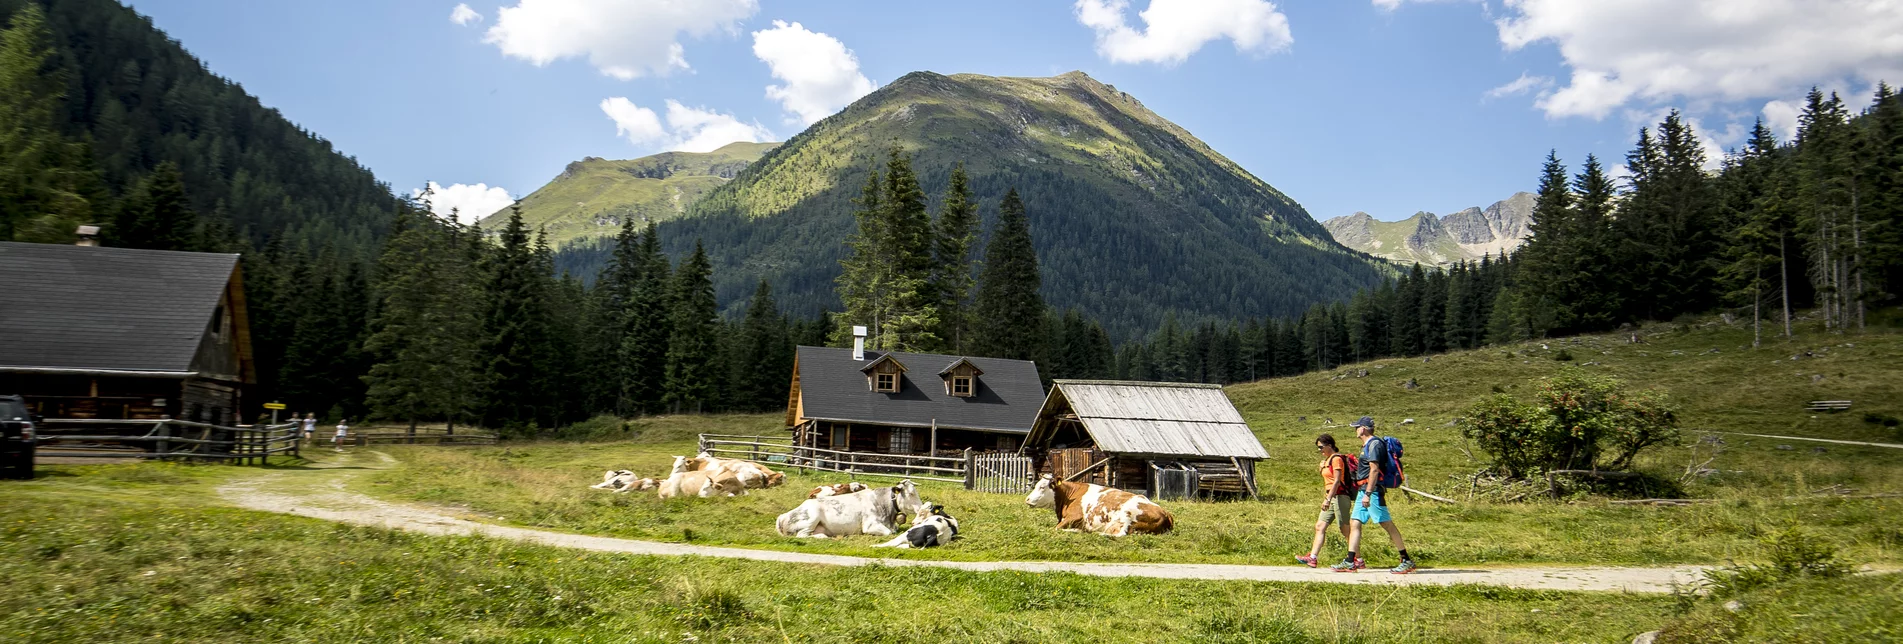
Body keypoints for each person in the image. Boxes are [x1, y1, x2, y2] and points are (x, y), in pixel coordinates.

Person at [1332, 416, 1415, 574]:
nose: (1355, 430)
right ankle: (1350, 560)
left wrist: (1368, 494)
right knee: (1355, 522)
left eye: (1356, 427)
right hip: (1364, 490)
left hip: (1373, 491)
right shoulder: (1367, 445)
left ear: (1363, 428)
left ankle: (1406, 559)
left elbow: (1374, 470)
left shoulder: (1374, 444)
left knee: (1386, 524)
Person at [1297, 434, 1358, 568]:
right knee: (1320, 526)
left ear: (1329, 445)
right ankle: (1312, 558)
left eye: (1321, 447)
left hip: (1339, 496)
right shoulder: (1328, 460)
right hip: (1331, 496)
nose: (1320, 450)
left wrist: (1328, 499)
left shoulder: (1336, 459)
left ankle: (1357, 559)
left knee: (1345, 529)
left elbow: (1336, 481)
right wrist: (1322, 468)